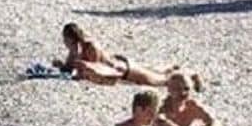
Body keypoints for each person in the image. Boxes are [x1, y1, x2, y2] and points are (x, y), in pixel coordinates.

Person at [55, 22, 184, 88]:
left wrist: (78, 62)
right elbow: (68, 68)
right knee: (151, 70)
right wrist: (62, 65)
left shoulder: (91, 47)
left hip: (124, 70)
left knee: (160, 81)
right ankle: (170, 67)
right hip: (120, 68)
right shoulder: (75, 50)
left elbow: (97, 69)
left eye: (65, 40)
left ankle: (185, 75)